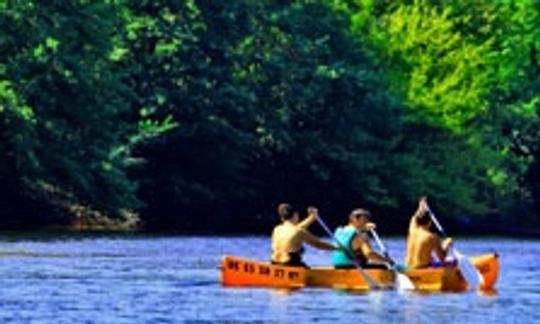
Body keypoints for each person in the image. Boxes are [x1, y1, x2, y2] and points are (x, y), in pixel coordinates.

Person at [271, 203, 335, 268]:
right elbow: (319, 244)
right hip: (290, 264)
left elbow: (295, 230)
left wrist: (312, 217)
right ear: (296, 215)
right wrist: (337, 249)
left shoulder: (277, 229)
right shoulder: (299, 232)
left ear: (282, 218)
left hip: (274, 263)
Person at [406, 197, 454, 269]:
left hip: (409, 268)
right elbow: (442, 257)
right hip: (421, 269)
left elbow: (415, 217)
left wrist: (421, 206)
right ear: (430, 223)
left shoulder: (412, 230)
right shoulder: (432, 237)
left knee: (431, 259)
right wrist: (447, 244)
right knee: (450, 261)